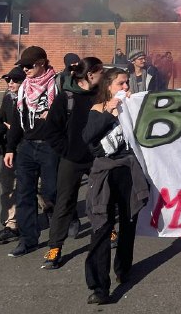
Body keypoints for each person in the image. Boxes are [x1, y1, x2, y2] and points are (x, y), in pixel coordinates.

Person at [82, 68, 149, 305]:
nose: (125, 88)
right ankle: (99, 287)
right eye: (121, 83)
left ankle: (124, 268)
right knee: (101, 226)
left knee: (128, 222)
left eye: (127, 83)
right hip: (105, 174)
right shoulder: (98, 109)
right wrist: (110, 110)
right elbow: (89, 137)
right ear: (109, 86)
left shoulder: (131, 107)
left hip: (128, 171)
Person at [42, 57, 104, 269]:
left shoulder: (101, 95)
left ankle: (108, 231)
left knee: (102, 198)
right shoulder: (66, 97)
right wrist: (67, 150)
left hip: (96, 156)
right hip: (72, 159)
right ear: (90, 74)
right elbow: (51, 130)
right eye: (100, 71)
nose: (103, 75)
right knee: (64, 202)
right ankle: (55, 247)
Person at [3, 46, 59, 257]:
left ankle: (58, 232)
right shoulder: (24, 88)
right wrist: (10, 148)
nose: (24, 70)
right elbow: (17, 120)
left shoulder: (56, 85)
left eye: (29, 66)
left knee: (51, 192)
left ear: (42, 63)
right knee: (24, 194)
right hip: (27, 146)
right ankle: (28, 240)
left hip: (50, 146)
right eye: (23, 66)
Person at [0, 67, 25, 244]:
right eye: (8, 81)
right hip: (9, 150)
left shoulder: (30, 99)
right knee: (8, 186)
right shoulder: (8, 98)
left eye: (14, 81)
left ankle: (51, 212)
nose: (11, 84)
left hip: (27, 150)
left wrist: (16, 129)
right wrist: (5, 130)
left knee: (41, 190)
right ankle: (11, 225)